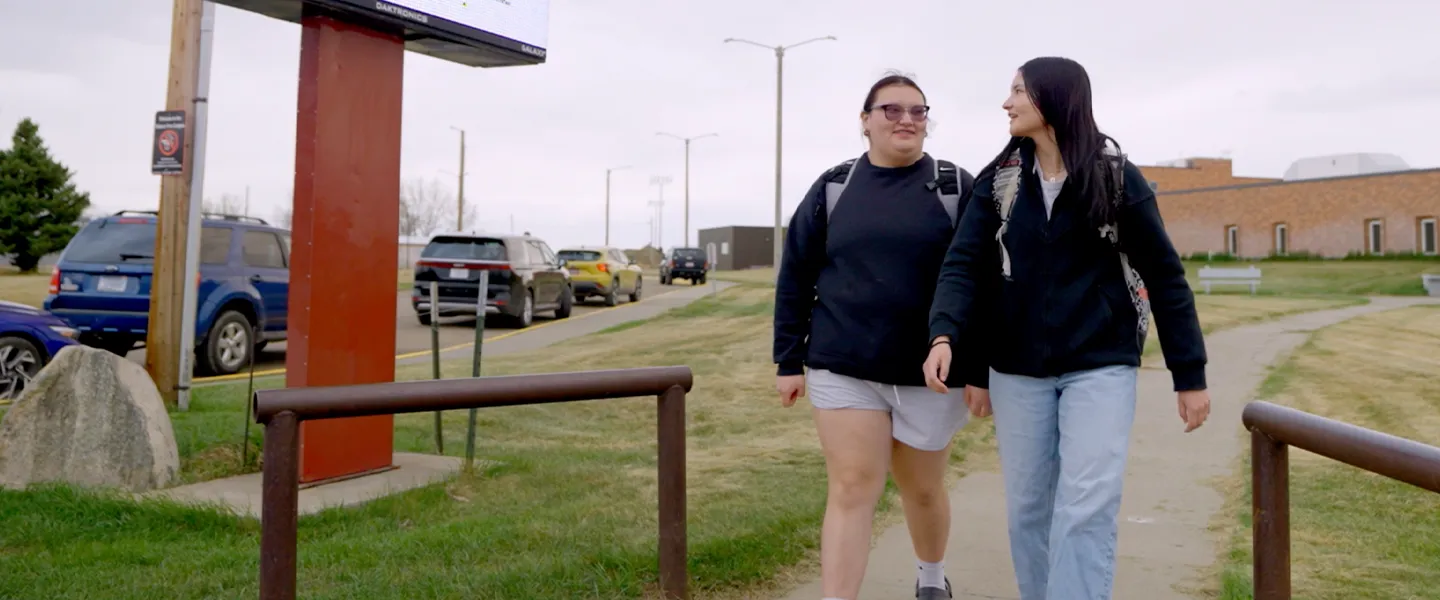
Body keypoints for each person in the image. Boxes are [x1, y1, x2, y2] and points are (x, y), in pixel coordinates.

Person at [922, 57, 1212, 600]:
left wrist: (1188, 374)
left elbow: (1166, 277)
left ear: (1053, 99)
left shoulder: (1116, 177)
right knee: (1028, 511)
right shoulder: (999, 181)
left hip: (1100, 365)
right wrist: (949, 341)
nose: (1006, 103)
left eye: (1017, 92)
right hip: (1017, 370)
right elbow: (967, 268)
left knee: (1086, 505)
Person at [774, 72, 978, 600]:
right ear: (865, 122)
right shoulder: (835, 187)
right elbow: (796, 273)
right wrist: (788, 360)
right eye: (891, 110)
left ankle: (931, 580)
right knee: (850, 486)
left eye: (918, 111)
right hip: (844, 364)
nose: (907, 120)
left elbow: (981, 281)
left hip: (929, 374)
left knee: (922, 488)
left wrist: (977, 368)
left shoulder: (957, 186)